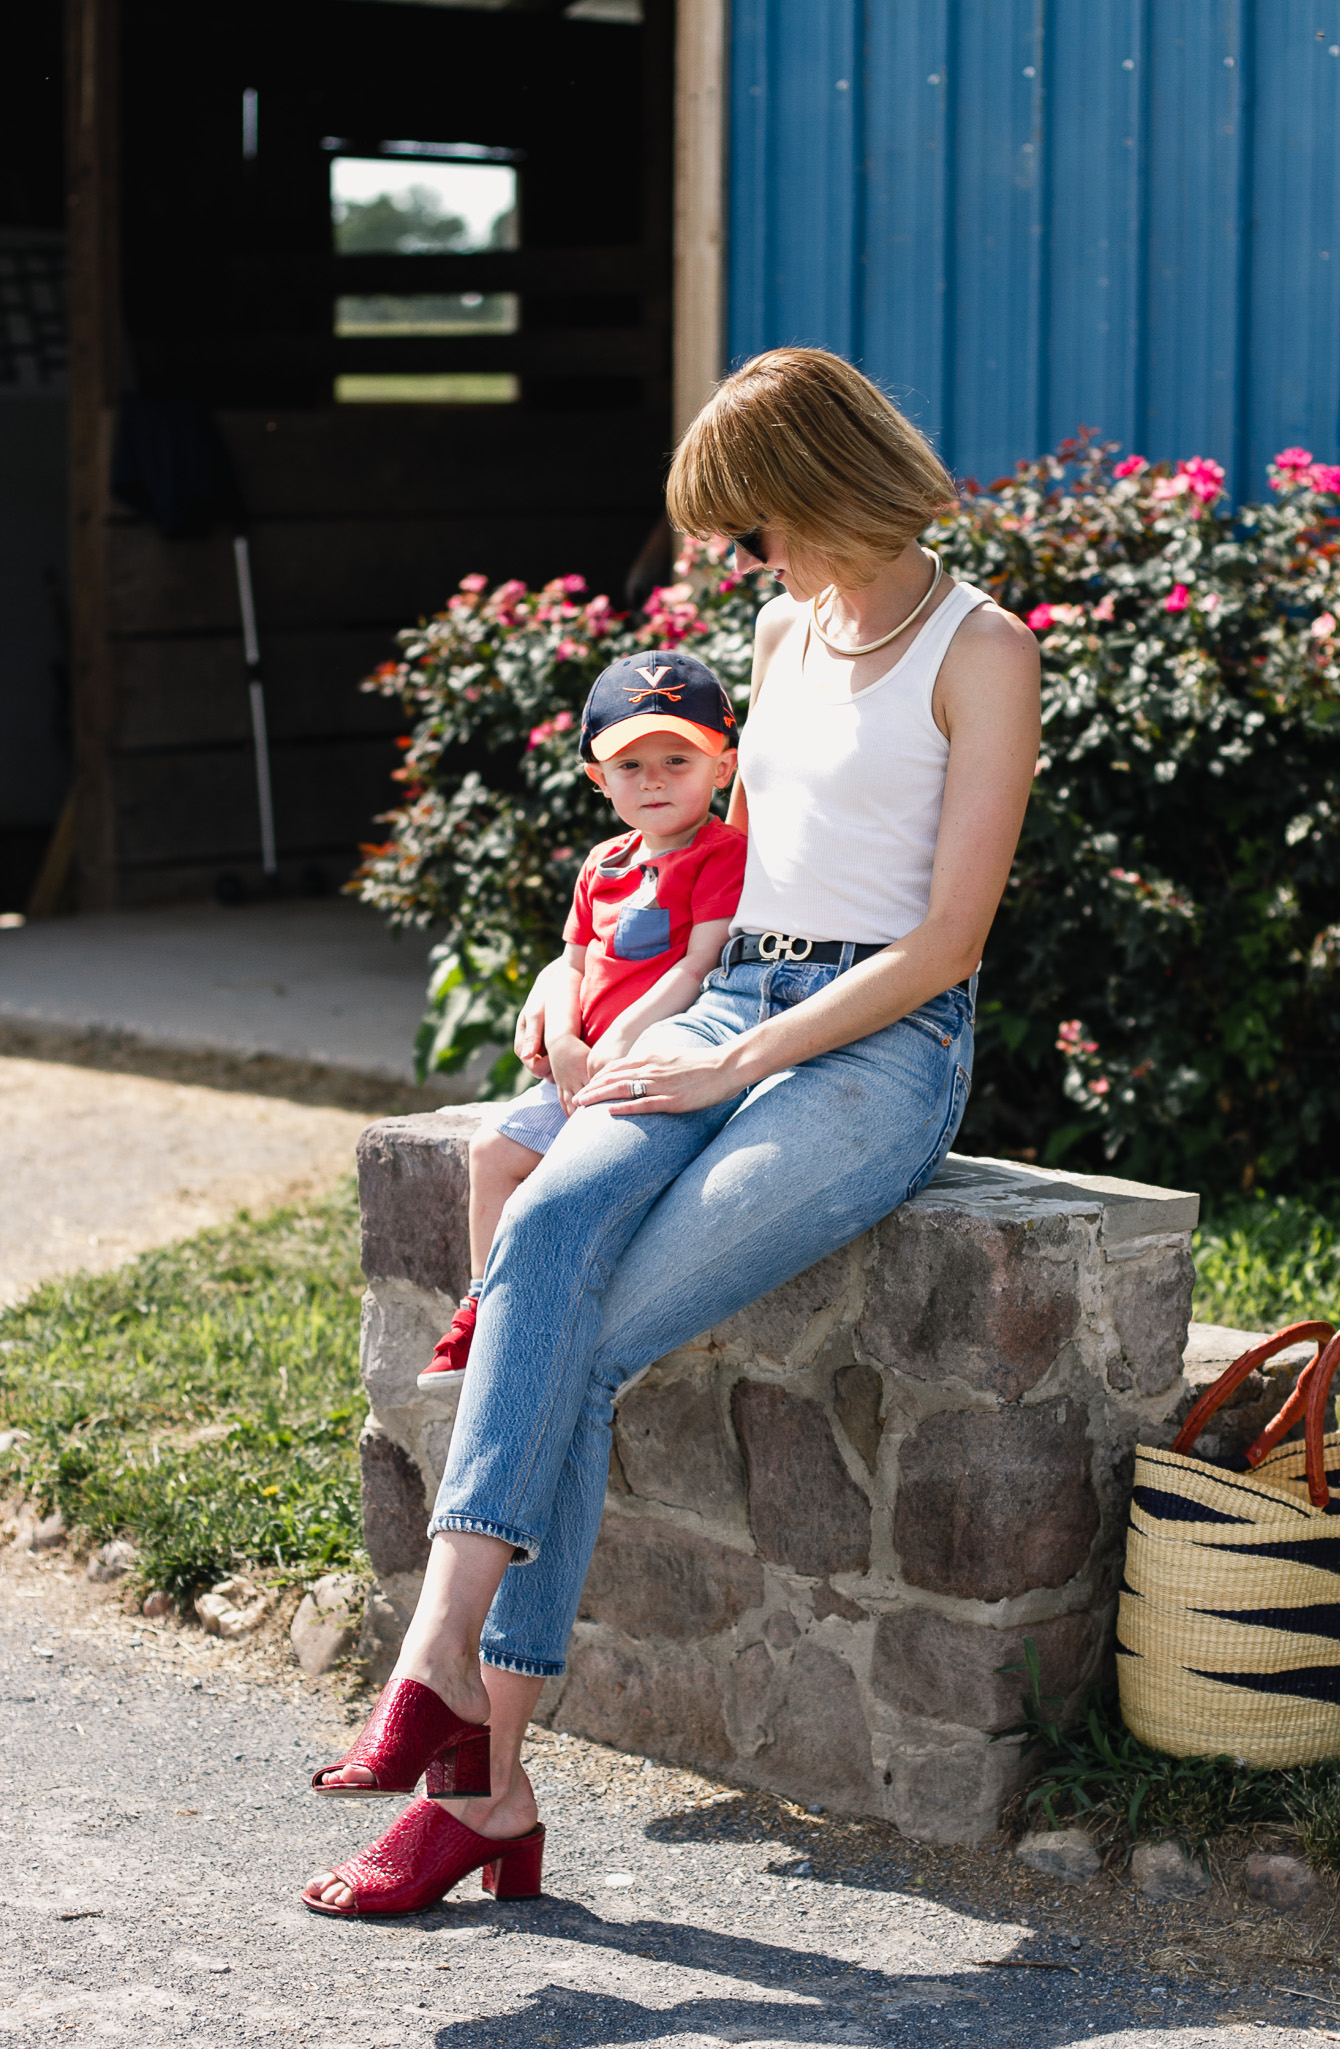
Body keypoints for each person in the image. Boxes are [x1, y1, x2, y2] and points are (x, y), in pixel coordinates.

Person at [302, 345, 1041, 1918]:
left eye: (754, 522)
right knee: (550, 1236)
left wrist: (740, 1064)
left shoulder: (981, 652)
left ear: (821, 486)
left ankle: (477, 1781)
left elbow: (946, 942)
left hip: (878, 1048)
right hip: (721, 1005)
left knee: (584, 1337)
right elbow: (714, 862)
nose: (740, 560)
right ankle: (453, 1696)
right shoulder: (783, 630)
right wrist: (586, 979)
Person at [418, 649, 746, 1388]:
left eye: (677, 758)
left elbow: (696, 966)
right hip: (581, 1065)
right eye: (630, 766)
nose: (653, 779)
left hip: (652, 1058)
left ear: (722, 767)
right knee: (491, 1155)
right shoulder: (603, 863)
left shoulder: (721, 854)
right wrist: (565, 1041)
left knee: (571, 1188)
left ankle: (592, 1332)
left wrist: (620, 1037)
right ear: (599, 780)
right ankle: (481, 1313)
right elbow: (569, 964)